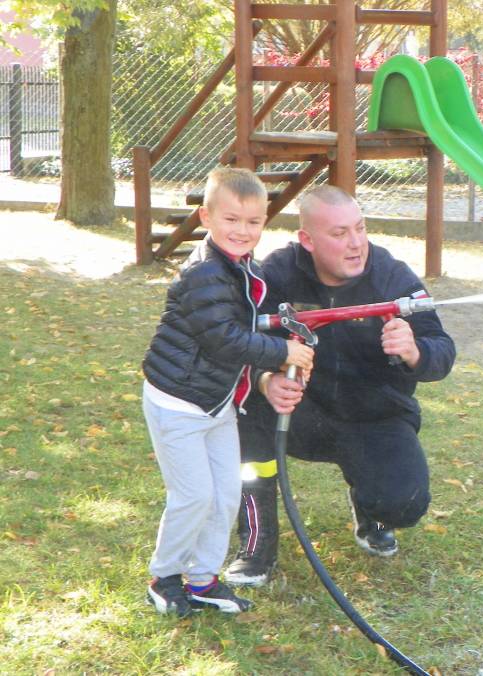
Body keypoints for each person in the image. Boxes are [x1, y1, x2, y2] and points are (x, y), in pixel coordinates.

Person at [224, 185, 455, 587]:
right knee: (245, 412)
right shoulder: (276, 274)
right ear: (308, 240)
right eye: (339, 233)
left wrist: (415, 351)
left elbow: (443, 349)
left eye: (360, 229)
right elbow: (234, 342)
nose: (355, 244)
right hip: (301, 412)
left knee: (404, 503)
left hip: (374, 415)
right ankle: (257, 545)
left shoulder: (392, 276)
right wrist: (264, 380)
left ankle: (372, 510)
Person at [142, 168, 314, 617]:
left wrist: (283, 342)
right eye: (231, 219)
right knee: (194, 496)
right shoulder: (204, 273)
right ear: (206, 217)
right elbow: (223, 339)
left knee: (225, 495)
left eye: (253, 221)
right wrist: (282, 352)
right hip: (179, 402)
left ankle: (202, 579)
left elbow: (249, 325)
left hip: (217, 402)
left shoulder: (243, 266)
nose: (242, 230)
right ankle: (164, 578)